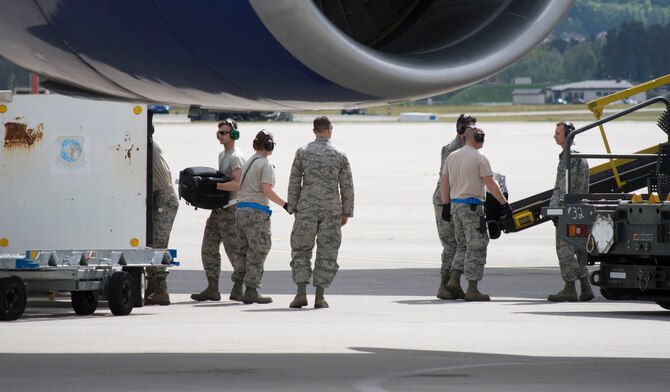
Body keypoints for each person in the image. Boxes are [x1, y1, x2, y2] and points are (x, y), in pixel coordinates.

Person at [286, 116, 354, 309]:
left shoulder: (303, 151)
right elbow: (347, 186)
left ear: (314, 130)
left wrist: (293, 206)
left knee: (301, 249)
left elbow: (294, 180)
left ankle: (300, 292)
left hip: (306, 208)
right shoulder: (339, 154)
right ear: (330, 129)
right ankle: (320, 296)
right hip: (331, 210)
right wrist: (346, 212)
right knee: (327, 251)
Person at [440, 125, 511, 301]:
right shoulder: (480, 157)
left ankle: (454, 280)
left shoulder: (452, 156)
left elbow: (444, 182)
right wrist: (504, 204)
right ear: (477, 137)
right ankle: (472, 288)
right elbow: (491, 184)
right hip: (472, 207)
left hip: (456, 206)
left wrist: (445, 204)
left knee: (462, 245)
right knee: (478, 245)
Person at [191, 119, 246, 302]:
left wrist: (214, 186)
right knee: (208, 247)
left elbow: (238, 184)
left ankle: (240, 287)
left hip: (231, 210)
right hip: (219, 209)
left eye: (224, 132)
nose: (220, 136)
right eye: (219, 133)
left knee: (234, 251)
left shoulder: (235, 156)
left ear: (234, 134)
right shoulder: (223, 155)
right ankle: (212, 287)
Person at [235, 130, 288, 304]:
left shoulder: (249, 161)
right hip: (256, 212)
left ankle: (237, 288)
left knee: (243, 251)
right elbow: (266, 190)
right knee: (258, 251)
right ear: (269, 145)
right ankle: (251, 290)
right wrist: (285, 205)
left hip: (240, 210)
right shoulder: (265, 165)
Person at [548, 121, 593, 302]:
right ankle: (585, 287)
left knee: (564, 249)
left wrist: (556, 209)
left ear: (568, 134)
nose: (554, 136)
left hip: (568, 208)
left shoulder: (571, 156)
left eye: (558, 133)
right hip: (578, 207)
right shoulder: (577, 154)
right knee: (577, 249)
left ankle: (569, 288)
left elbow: (566, 185)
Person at [432, 114, 476, 300]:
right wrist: (446, 204)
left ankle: (451, 284)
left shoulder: (467, 146)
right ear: (461, 130)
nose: (473, 130)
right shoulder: (452, 149)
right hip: (447, 200)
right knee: (452, 244)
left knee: (457, 244)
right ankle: (445, 285)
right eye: (470, 127)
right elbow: (446, 178)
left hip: (456, 199)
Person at [145, 128, 179, 305]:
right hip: (158, 197)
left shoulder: (148, 145)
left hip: (164, 198)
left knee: (158, 244)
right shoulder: (149, 142)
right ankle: (152, 286)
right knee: (151, 244)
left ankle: (161, 290)